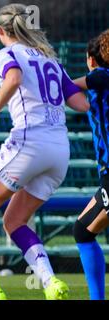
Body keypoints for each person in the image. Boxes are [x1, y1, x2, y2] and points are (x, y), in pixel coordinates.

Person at [0, 3, 89, 300]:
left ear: (1, 31)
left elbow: (14, 78)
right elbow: (81, 104)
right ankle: (50, 282)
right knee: (14, 221)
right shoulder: (50, 59)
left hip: (30, 142)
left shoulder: (5, 54)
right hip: (60, 151)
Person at [72, 29, 109, 300]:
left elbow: (68, 87)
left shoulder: (101, 76)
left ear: (91, 59)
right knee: (83, 230)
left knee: (83, 232)